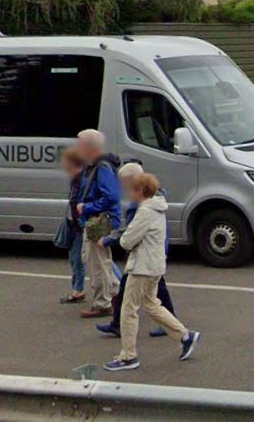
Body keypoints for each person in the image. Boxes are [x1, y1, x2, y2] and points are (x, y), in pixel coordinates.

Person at [102, 173, 200, 371]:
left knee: (128, 310)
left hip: (141, 267)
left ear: (140, 191)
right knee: (151, 304)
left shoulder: (145, 211)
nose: (129, 193)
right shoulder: (158, 208)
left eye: (131, 189)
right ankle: (184, 335)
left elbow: (127, 240)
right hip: (154, 266)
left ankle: (129, 356)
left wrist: (121, 240)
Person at [98, 162, 177, 339]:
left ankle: (123, 334)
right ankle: (178, 330)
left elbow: (130, 233)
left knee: (134, 301)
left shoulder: (141, 207)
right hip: (153, 256)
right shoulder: (156, 199)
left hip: (144, 259)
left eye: (125, 185)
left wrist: (110, 239)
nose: (124, 189)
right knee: (153, 296)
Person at [76, 129, 123, 319]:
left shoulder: (101, 167)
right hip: (101, 220)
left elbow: (111, 196)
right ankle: (115, 294)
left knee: (98, 263)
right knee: (96, 259)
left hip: (99, 221)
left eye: (80, 144)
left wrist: (87, 206)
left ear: (89, 147)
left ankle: (102, 303)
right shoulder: (100, 165)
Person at [60, 148, 88, 304]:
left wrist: (79, 223)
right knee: (75, 258)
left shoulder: (81, 180)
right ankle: (77, 288)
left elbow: (79, 203)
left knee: (79, 259)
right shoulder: (76, 179)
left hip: (80, 226)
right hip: (75, 225)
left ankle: (78, 290)